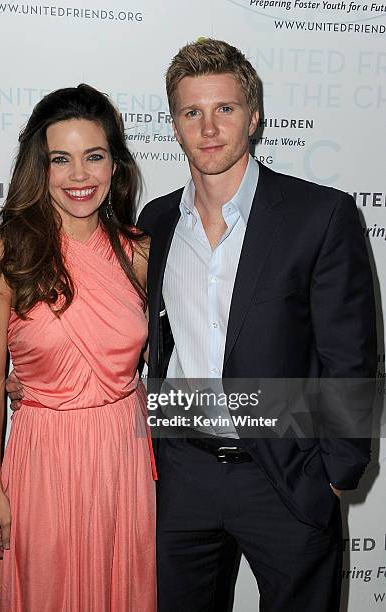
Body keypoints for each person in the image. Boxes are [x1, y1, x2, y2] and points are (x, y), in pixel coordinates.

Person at [136, 38, 377, 611]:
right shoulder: (157, 221)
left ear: (255, 116)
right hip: (183, 475)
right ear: (174, 123)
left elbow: (349, 355)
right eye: (192, 112)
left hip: (288, 476)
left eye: (225, 109)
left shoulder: (320, 215)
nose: (209, 127)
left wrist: (336, 472)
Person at [0, 84, 156, 612]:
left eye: (94, 157)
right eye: (61, 159)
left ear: (114, 166)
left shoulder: (138, 253)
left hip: (123, 455)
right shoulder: (3, 258)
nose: (80, 176)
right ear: (40, 166)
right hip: (43, 457)